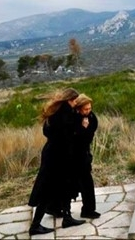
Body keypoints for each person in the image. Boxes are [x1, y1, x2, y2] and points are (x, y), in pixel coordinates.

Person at [28, 88, 85, 236]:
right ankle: (35, 225)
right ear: (69, 100)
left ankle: (66, 216)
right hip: (59, 157)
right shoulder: (66, 114)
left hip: (53, 154)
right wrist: (81, 125)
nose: (76, 103)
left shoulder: (55, 112)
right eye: (75, 101)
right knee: (49, 190)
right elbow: (70, 135)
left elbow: (47, 132)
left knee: (62, 187)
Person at [72, 94, 100, 219]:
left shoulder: (91, 117)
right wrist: (82, 128)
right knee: (68, 182)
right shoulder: (72, 118)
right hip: (72, 155)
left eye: (89, 108)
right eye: (85, 109)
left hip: (83, 154)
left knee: (87, 182)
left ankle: (88, 209)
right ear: (78, 109)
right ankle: (55, 207)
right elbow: (74, 138)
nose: (88, 111)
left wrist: (86, 129)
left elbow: (88, 138)